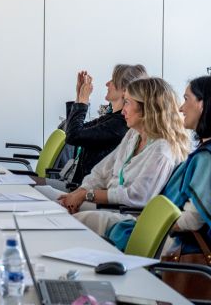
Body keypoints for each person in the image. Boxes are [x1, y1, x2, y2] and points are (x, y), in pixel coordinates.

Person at [43, 77, 190, 235]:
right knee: (46, 195)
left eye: (127, 102)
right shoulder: (133, 135)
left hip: (127, 215)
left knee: (59, 213)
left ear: (146, 109)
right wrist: (79, 193)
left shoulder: (162, 150)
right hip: (107, 205)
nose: (123, 110)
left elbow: (136, 198)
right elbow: (101, 172)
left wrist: (86, 194)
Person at [106, 76, 211, 254]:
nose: (180, 108)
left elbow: (192, 220)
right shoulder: (203, 152)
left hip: (176, 245)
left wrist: (151, 227)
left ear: (203, 104)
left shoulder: (206, 157)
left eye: (186, 99)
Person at [56, 64, 148, 188]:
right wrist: (79, 97)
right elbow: (70, 130)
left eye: (113, 81)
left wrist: (83, 100)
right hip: (79, 186)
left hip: (86, 191)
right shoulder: (111, 118)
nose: (107, 84)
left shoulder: (119, 125)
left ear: (125, 90)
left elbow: (73, 136)